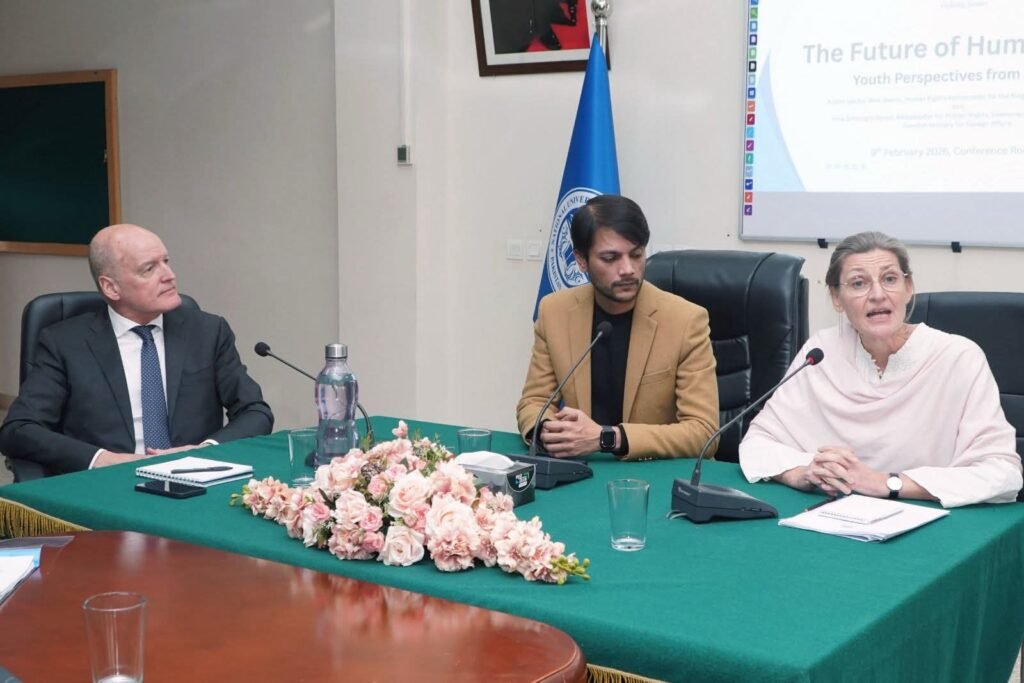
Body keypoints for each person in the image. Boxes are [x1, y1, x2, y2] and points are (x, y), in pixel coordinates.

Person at [739, 231, 1022, 507]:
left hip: (931, 520)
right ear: (836, 297)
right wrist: (802, 472)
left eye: (889, 279)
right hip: (832, 514)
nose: (877, 294)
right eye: (858, 283)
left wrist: (886, 483)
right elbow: (757, 444)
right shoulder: (821, 352)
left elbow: (1002, 473)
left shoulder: (958, 358)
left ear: (908, 288)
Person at [0, 224, 274, 476]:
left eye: (166, 262)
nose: (169, 276)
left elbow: (254, 411)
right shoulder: (65, 343)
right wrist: (104, 459)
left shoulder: (207, 332)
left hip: (196, 478)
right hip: (106, 484)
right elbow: (19, 429)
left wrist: (204, 451)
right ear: (111, 287)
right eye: (149, 269)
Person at [516, 194, 719, 461]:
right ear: (581, 260)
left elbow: (704, 432)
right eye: (610, 258)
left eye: (636, 254)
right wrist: (549, 432)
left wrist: (608, 438)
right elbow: (534, 403)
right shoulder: (554, 312)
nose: (628, 269)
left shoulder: (686, 321)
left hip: (656, 473)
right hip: (583, 467)